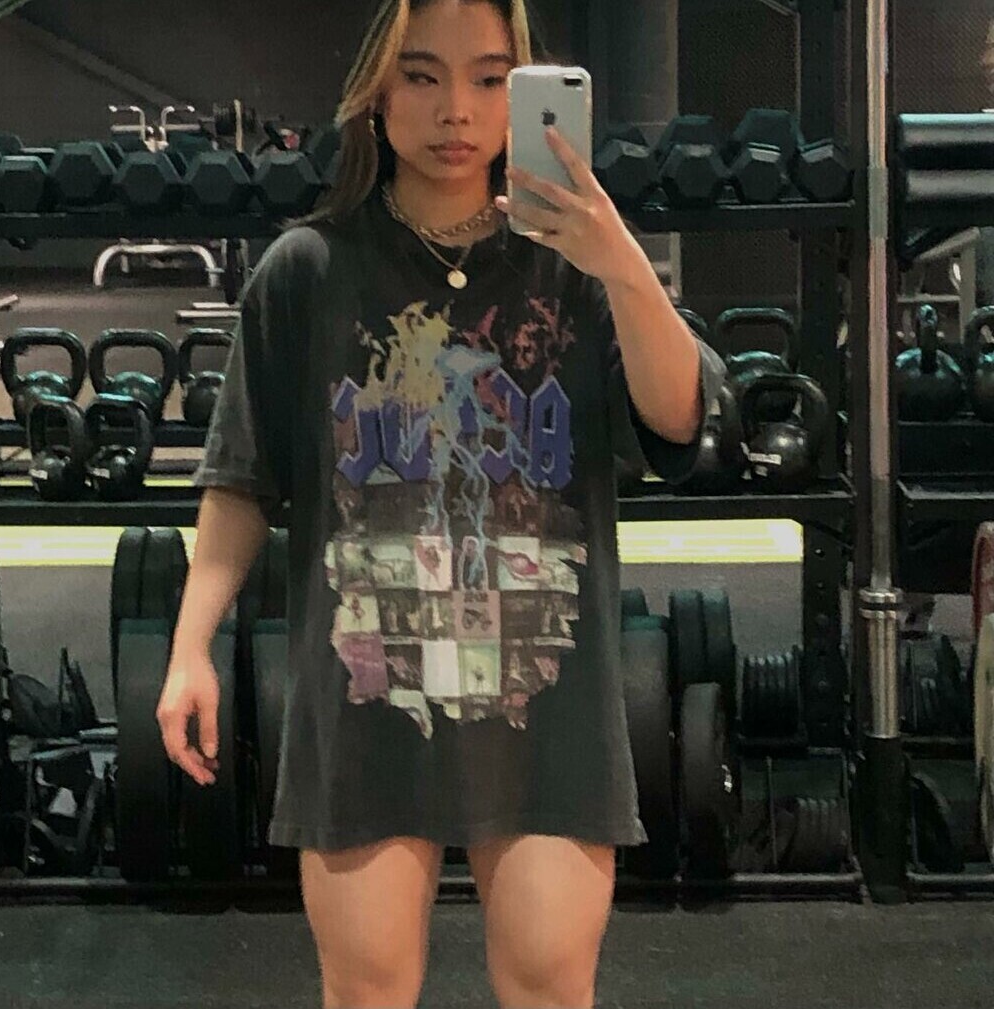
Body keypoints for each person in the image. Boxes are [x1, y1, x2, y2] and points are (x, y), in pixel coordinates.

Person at [156, 1, 726, 1006]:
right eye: (422, 76)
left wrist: (625, 263)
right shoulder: (306, 272)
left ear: (523, 92)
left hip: (547, 697)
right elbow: (242, 477)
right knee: (368, 989)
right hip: (367, 691)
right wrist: (190, 645)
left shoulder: (580, 266)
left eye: (489, 78)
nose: (456, 108)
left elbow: (679, 416)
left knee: (551, 984)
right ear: (378, 94)